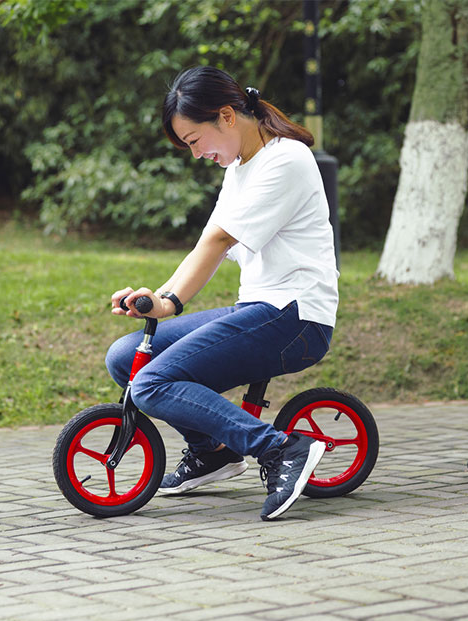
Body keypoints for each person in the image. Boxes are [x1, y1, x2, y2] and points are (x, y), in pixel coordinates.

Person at [105, 66, 338, 520]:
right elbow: (206, 243)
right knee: (125, 357)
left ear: (227, 116)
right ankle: (212, 452)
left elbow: (218, 242)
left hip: (296, 317)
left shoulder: (286, 160)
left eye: (194, 140)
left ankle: (283, 450)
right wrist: (158, 297)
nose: (196, 154)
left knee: (151, 382)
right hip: (258, 308)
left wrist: (171, 304)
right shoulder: (239, 168)